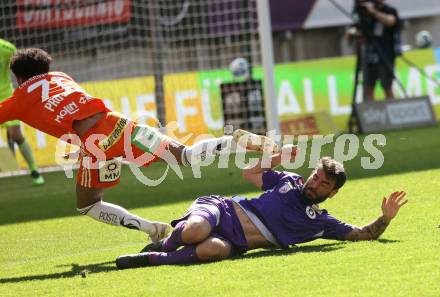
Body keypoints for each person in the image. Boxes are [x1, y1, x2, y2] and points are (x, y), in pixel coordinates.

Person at [0, 48, 259, 243]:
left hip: (95, 147)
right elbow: (74, 108)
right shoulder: (60, 76)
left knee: (89, 205)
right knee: (186, 155)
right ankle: (232, 140)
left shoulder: (19, 99)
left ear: (17, 77)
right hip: (120, 126)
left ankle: (150, 228)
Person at [116, 147, 408, 269]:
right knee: (194, 231)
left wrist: (386, 218)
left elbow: (362, 234)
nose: (314, 184)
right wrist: (276, 157)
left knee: (209, 251)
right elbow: (250, 174)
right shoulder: (290, 181)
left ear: (332, 193)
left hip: (235, 242)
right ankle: (166, 244)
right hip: (222, 208)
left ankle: (151, 260)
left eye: (322, 185)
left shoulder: (320, 223)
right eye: (315, 176)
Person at [0, 39, 44, 185]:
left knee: (16, 134)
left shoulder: (6, 48)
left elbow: (19, 68)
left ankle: (34, 170)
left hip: (6, 95)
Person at [356, 0, 401, 100]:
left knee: (387, 87)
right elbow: (361, 30)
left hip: (385, 56)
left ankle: (392, 110)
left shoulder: (389, 10)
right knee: (368, 88)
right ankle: (372, 113)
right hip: (369, 58)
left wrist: (373, 12)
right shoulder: (365, 12)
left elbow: (391, 21)